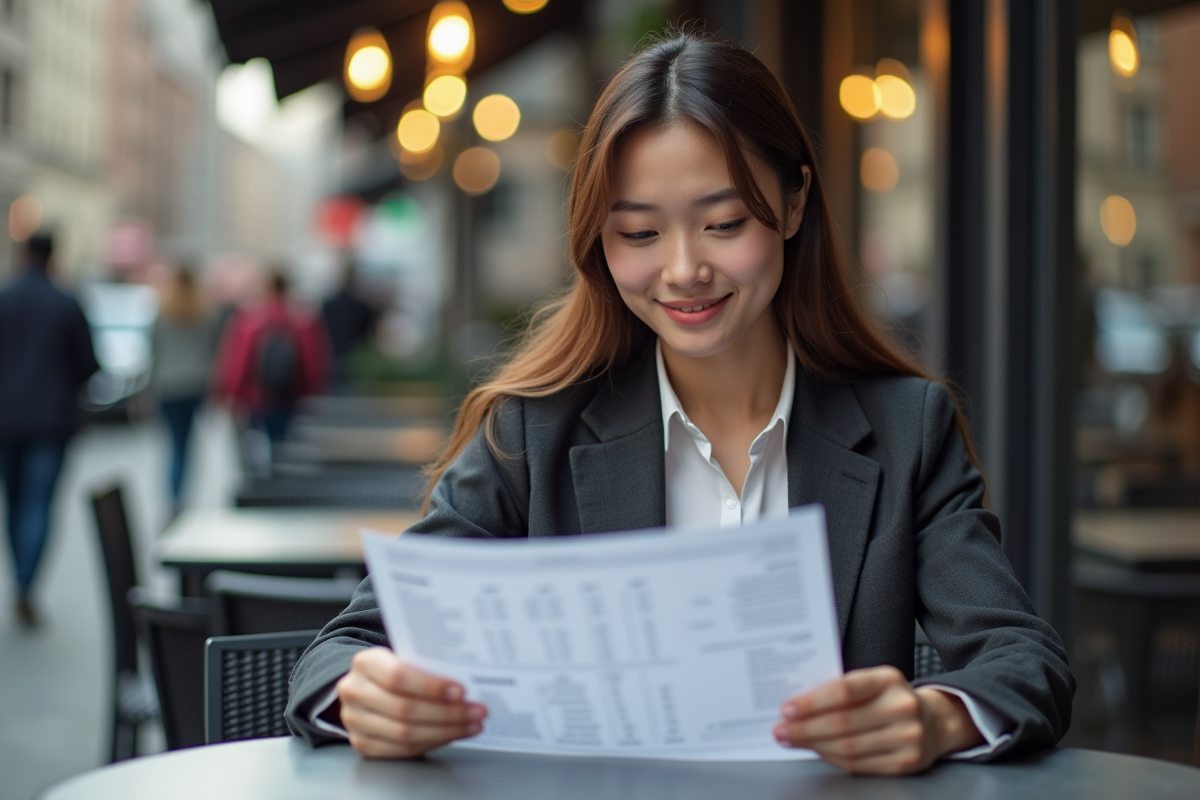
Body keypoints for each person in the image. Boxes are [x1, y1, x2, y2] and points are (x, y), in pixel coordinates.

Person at [285, 32, 1074, 774]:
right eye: (639, 234)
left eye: (724, 223)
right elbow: (343, 648)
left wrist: (934, 718)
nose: (685, 268)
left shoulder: (907, 430)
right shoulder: (533, 432)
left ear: (794, 205)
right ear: (599, 239)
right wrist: (366, 695)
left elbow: (1024, 661)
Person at [0, 232, 99, 625]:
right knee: (39, 502)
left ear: (24, 254)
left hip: (6, 419)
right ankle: (27, 583)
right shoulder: (66, 302)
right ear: (53, 255)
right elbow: (89, 366)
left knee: (15, 501)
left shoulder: (3, 299)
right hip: (52, 420)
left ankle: (20, 578)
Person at [214, 269, 329, 470]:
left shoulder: (250, 321)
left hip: (257, 398)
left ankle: (263, 486)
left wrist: (230, 394)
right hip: (290, 396)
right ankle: (280, 483)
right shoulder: (302, 320)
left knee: (257, 447)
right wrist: (310, 393)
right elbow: (314, 362)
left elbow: (238, 362)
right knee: (284, 443)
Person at [151, 265, 221, 515]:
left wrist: (147, 391)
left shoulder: (162, 313)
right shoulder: (204, 314)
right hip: (194, 385)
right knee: (187, 446)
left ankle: (173, 498)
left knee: (173, 445)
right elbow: (212, 353)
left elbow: (152, 355)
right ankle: (180, 497)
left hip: (168, 387)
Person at [320, 259, 378, 389]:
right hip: (356, 360)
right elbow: (367, 335)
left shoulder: (329, 304)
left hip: (334, 357)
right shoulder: (361, 306)